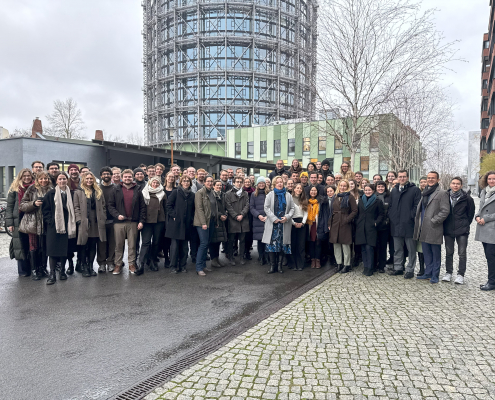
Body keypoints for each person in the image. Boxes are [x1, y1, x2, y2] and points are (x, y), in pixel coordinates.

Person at [108, 169, 146, 275]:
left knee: (132, 245)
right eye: (125, 177)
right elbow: (110, 205)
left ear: (132, 178)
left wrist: (141, 221)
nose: (127, 178)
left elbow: (142, 207)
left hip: (133, 222)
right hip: (119, 222)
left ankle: (131, 264)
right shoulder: (116, 189)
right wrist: (117, 215)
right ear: (122, 177)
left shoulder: (138, 189)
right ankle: (118, 264)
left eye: (129, 177)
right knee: (119, 245)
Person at [42, 171, 77, 285]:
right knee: (52, 251)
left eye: (64, 179)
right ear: (56, 181)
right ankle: (52, 274)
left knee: (64, 250)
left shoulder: (71, 193)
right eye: (60, 179)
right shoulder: (51, 194)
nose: (62, 181)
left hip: (67, 226)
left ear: (67, 180)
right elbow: (45, 210)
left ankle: (62, 271)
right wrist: (51, 221)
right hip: (54, 226)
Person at [414, 171, 450, 283]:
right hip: (423, 228)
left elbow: (445, 210)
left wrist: (434, 221)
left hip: (434, 227)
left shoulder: (442, 193)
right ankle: (427, 273)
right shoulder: (425, 192)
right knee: (426, 253)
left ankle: (435, 275)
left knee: (435, 253)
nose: (430, 179)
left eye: (433, 178)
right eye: (429, 178)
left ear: (438, 180)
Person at [19, 170, 52, 280]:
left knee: (44, 246)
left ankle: (43, 268)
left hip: (46, 223)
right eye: (41, 178)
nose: (44, 180)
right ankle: (34, 270)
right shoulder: (31, 189)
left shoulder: (51, 189)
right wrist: (34, 204)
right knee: (33, 246)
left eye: (46, 178)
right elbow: (22, 205)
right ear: (37, 179)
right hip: (32, 222)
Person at [388, 170, 421, 278]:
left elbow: (417, 206)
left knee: (411, 249)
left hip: (409, 224)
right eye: (400, 176)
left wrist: (410, 217)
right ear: (397, 178)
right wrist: (392, 216)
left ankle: (410, 269)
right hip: (396, 224)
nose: (402, 178)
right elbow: (391, 206)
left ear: (407, 177)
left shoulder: (414, 190)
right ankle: (398, 268)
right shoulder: (394, 190)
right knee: (397, 248)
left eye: (404, 177)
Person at [442, 177, 475, 285]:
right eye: (453, 183)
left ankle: (460, 274)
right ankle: (448, 272)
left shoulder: (468, 199)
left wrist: (465, 225)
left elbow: (470, 215)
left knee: (462, 253)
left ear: (461, 185)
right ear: (450, 185)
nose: (455, 185)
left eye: (458, 184)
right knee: (449, 252)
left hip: (462, 230)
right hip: (448, 229)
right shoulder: (445, 197)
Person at [74, 172, 107, 278]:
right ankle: (84, 267)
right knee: (83, 245)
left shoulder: (98, 191)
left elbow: (103, 206)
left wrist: (103, 217)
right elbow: (76, 207)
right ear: (83, 179)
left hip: (96, 222)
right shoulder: (78, 192)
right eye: (87, 178)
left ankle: (90, 266)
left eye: (91, 178)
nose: (89, 180)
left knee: (93, 245)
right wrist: (79, 220)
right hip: (84, 221)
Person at [263, 176, 295, 274]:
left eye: (281, 182)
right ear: (274, 184)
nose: (280, 184)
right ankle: (273, 266)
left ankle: (280, 266)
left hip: (283, 223)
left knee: (282, 245)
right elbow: (266, 208)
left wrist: (287, 217)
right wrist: (274, 218)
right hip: (273, 224)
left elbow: (292, 208)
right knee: (272, 245)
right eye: (278, 182)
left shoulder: (288, 195)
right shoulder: (270, 195)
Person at [6, 168, 34, 277]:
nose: (27, 178)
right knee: (20, 244)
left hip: (31, 218)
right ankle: (23, 270)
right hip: (18, 218)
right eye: (24, 176)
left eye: (28, 176)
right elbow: (9, 207)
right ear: (20, 177)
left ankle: (32, 268)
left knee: (31, 243)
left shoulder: (35, 187)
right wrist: (10, 223)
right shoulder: (15, 188)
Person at [166, 175, 195, 273]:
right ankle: (173, 266)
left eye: (188, 181)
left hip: (187, 224)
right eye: (184, 181)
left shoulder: (192, 195)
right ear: (181, 182)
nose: (186, 182)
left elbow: (193, 209)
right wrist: (174, 215)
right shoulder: (176, 192)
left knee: (184, 247)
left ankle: (182, 265)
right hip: (176, 223)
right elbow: (168, 205)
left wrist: (191, 219)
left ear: (190, 183)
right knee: (174, 246)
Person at [137, 176, 166, 275]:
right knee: (146, 242)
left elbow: (165, 207)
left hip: (159, 220)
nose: (155, 184)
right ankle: (141, 263)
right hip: (147, 221)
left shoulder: (162, 193)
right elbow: (141, 207)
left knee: (156, 242)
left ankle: (153, 260)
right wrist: (141, 220)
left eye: (157, 183)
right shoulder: (144, 192)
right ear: (150, 183)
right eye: (153, 183)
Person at [355, 184, 384, 276]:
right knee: (363, 248)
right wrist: (357, 222)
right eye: (366, 190)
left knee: (369, 247)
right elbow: (357, 213)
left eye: (369, 190)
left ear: (373, 190)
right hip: (361, 227)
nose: (367, 192)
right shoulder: (360, 200)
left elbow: (381, 214)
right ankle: (366, 267)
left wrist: (376, 222)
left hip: (371, 227)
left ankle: (371, 267)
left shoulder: (377, 201)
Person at [329, 180, 358, 273]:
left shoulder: (350, 197)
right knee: (336, 244)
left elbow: (354, 210)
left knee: (345, 244)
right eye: (341, 185)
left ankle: (347, 264)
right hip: (335, 222)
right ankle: (339, 263)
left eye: (344, 186)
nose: (342, 187)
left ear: (347, 187)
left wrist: (347, 219)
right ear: (338, 186)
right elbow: (331, 211)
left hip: (345, 222)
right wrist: (329, 223)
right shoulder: (335, 196)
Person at [194, 176, 218, 275]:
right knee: (203, 244)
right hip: (202, 223)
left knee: (207, 243)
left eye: (211, 181)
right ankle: (199, 268)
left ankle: (204, 266)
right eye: (208, 181)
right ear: (204, 182)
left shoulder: (212, 192)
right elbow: (199, 209)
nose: (210, 183)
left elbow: (214, 208)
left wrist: (216, 221)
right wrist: (203, 223)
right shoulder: (199, 193)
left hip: (211, 221)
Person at [475, 170, 495, 291]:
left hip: (492, 229)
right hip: (483, 228)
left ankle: (492, 282)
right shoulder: (484, 191)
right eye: (489, 179)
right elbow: (481, 208)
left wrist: (485, 219)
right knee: (489, 256)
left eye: (494, 179)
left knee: (491, 256)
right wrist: (477, 216)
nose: (492, 181)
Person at [225, 176, 250, 265]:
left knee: (242, 240)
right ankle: (231, 258)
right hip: (233, 220)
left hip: (243, 220)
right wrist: (236, 216)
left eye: (240, 182)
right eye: (237, 182)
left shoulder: (245, 193)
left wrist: (242, 215)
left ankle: (241, 257)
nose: (239, 183)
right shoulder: (228, 194)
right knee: (231, 240)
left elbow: (247, 205)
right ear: (234, 183)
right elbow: (228, 206)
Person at [97, 167, 116, 273]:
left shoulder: (116, 188)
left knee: (113, 243)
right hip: (101, 220)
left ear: (111, 175)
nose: (106, 175)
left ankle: (110, 262)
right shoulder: (98, 189)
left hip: (113, 220)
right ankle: (102, 264)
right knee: (101, 243)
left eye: (108, 174)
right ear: (101, 176)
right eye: (104, 174)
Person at [208, 180, 229, 268]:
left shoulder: (223, 195)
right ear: (213, 186)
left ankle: (217, 259)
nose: (219, 187)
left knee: (218, 240)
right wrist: (220, 215)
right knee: (213, 241)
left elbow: (227, 206)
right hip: (214, 220)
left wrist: (226, 214)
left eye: (220, 185)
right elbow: (211, 208)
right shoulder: (210, 195)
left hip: (222, 220)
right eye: (217, 185)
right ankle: (213, 260)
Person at [250, 177, 268, 265]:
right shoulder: (254, 194)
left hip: (267, 219)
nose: (261, 185)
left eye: (263, 183)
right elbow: (251, 207)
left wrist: (268, 216)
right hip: (258, 220)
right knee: (260, 240)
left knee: (267, 239)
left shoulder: (269, 193)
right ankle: (261, 257)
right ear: (257, 185)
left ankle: (267, 256)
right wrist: (258, 215)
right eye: (260, 183)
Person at [375, 181, 392, 273]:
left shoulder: (389, 197)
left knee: (383, 246)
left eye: (382, 187)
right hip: (374, 225)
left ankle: (381, 265)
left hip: (385, 226)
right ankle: (375, 264)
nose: (380, 188)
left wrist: (387, 221)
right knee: (375, 246)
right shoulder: (373, 196)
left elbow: (391, 209)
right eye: (379, 187)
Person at [291, 183, 308, 271]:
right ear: (294, 189)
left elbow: (306, 213)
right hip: (292, 223)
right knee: (293, 244)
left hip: (302, 223)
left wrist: (302, 223)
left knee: (301, 245)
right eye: (297, 188)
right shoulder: (290, 199)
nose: (299, 189)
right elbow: (288, 213)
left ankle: (301, 264)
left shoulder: (304, 200)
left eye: (300, 188)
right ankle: (293, 264)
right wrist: (294, 223)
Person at [306, 185, 323, 268]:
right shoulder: (306, 202)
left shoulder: (320, 201)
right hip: (309, 224)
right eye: (312, 190)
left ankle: (318, 260)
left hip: (318, 224)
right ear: (309, 192)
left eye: (315, 190)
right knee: (311, 242)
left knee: (318, 242)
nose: (313, 192)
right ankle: (313, 260)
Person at [243, 177, 255, 260]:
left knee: (250, 234)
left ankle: (247, 252)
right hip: (244, 215)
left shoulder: (254, 191)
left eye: (248, 182)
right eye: (246, 182)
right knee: (243, 235)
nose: (247, 183)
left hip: (251, 215)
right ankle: (242, 252)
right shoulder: (241, 192)